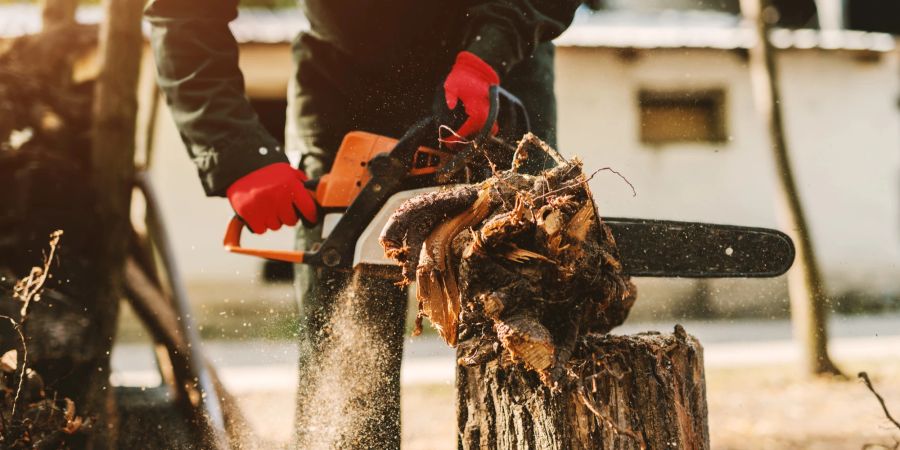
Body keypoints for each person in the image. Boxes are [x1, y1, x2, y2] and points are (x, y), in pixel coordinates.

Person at [145, 1, 581, 447]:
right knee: (346, 356)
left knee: (526, 330)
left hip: (499, 74)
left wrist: (488, 53)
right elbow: (185, 13)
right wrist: (236, 153)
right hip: (348, 90)